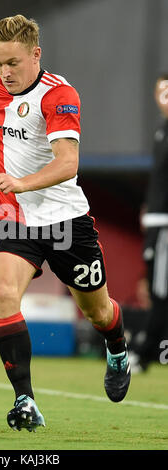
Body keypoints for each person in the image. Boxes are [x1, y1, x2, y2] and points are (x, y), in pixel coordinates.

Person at [0, 15, 131, 431]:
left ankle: (118, 347)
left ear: (35, 54)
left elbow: (68, 164)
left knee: (97, 310)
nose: (4, 72)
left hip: (65, 221)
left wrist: (19, 181)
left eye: (12, 63)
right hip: (12, 217)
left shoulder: (60, 95)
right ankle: (25, 400)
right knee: (3, 294)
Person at [131, 74, 168, 372]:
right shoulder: (162, 130)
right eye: (160, 91)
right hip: (157, 220)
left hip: (165, 225)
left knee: (160, 292)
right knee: (156, 289)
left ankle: (143, 354)